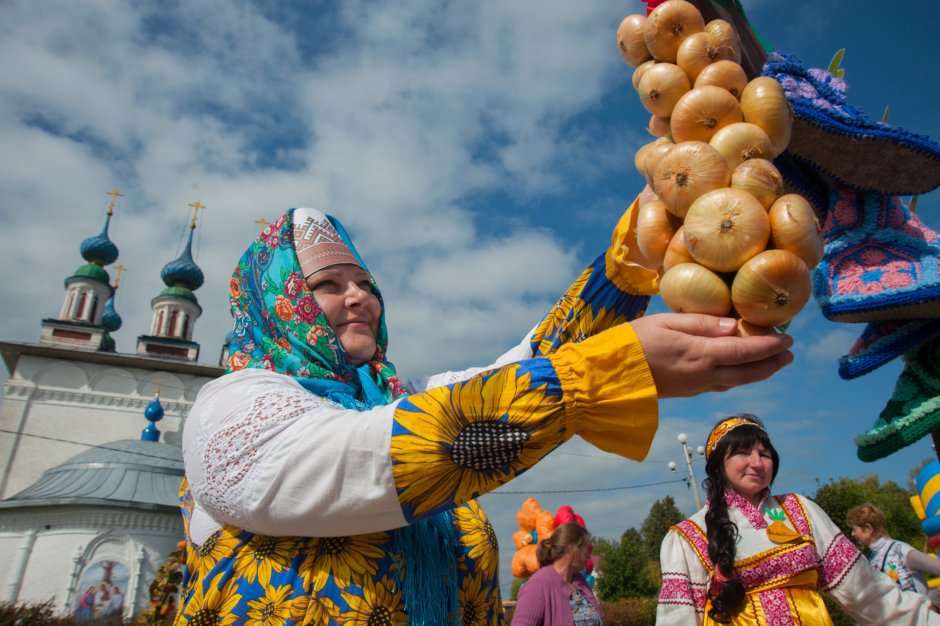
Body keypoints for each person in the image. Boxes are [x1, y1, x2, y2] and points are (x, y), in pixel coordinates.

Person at [177, 201, 793, 624]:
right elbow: (366, 457)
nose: (360, 296)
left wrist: (639, 253)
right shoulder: (233, 405)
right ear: (277, 302)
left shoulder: (396, 398)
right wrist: (602, 374)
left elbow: (527, 367)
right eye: (329, 285)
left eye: (364, 281)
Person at [657, 414, 940, 625]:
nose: (757, 462)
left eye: (764, 454)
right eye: (743, 453)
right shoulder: (687, 536)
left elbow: (865, 590)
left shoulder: (801, 510)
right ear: (718, 465)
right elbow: (678, 618)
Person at [511, 522, 602, 625]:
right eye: (586, 548)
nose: (589, 556)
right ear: (572, 549)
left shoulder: (580, 581)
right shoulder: (537, 585)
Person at [847, 502, 940, 602]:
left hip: (923, 616)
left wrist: (933, 602)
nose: (853, 534)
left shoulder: (900, 550)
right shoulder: (871, 558)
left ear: (868, 528)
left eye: (854, 529)